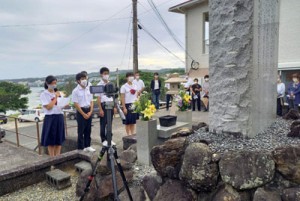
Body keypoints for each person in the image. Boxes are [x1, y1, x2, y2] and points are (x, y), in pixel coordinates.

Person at [40, 75, 66, 157]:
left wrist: (65, 103)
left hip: (59, 117)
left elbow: (61, 105)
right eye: (52, 83)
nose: (54, 85)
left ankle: (58, 157)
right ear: (47, 83)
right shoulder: (44, 94)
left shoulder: (59, 93)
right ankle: (52, 158)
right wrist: (55, 97)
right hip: (50, 118)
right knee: (51, 141)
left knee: (59, 139)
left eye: (55, 83)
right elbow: (48, 107)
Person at [72, 72, 95, 152]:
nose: (84, 80)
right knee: (81, 130)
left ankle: (88, 145)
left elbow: (91, 100)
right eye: (82, 79)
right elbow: (76, 104)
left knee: (88, 129)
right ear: (78, 81)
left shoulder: (89, 87)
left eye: (85, 78)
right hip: (81, 111)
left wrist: (91, 111)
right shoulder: (75, 91)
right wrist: (83, 114)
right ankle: (81, 148)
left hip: (89, 109)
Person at [95, 67, 116, 146]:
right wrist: (100, 109)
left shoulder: (111, 84)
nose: (106, 75)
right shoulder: (99, 85)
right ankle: (103, 140)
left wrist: (114, 107)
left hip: (111, 105)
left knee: (110, 123)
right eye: (105, 74)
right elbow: (98, 98)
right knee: (103, 124)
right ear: (101, 75)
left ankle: (109, 139)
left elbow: (113, 96)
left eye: (107, 73)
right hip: (104, 106)